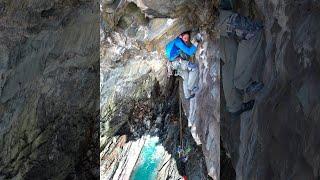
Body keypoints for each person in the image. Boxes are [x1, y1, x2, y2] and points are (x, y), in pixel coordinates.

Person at [217, 9, 265, 116]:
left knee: (231, 56)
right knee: (250, 31)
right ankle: (242, 82)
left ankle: (234, 105)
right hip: (215, 17)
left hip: (210, 22)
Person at [165, 31, 200, 100]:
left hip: (173, 64)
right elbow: (189, 52)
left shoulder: (173, 41)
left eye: (187, 38)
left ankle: (187, 96)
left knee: (186, 77)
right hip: (177, 62)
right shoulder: (177, 41)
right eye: (185, 38)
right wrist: (196, 42)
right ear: (180, 36)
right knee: (194, 67)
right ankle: (191, 87)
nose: (186, 40)